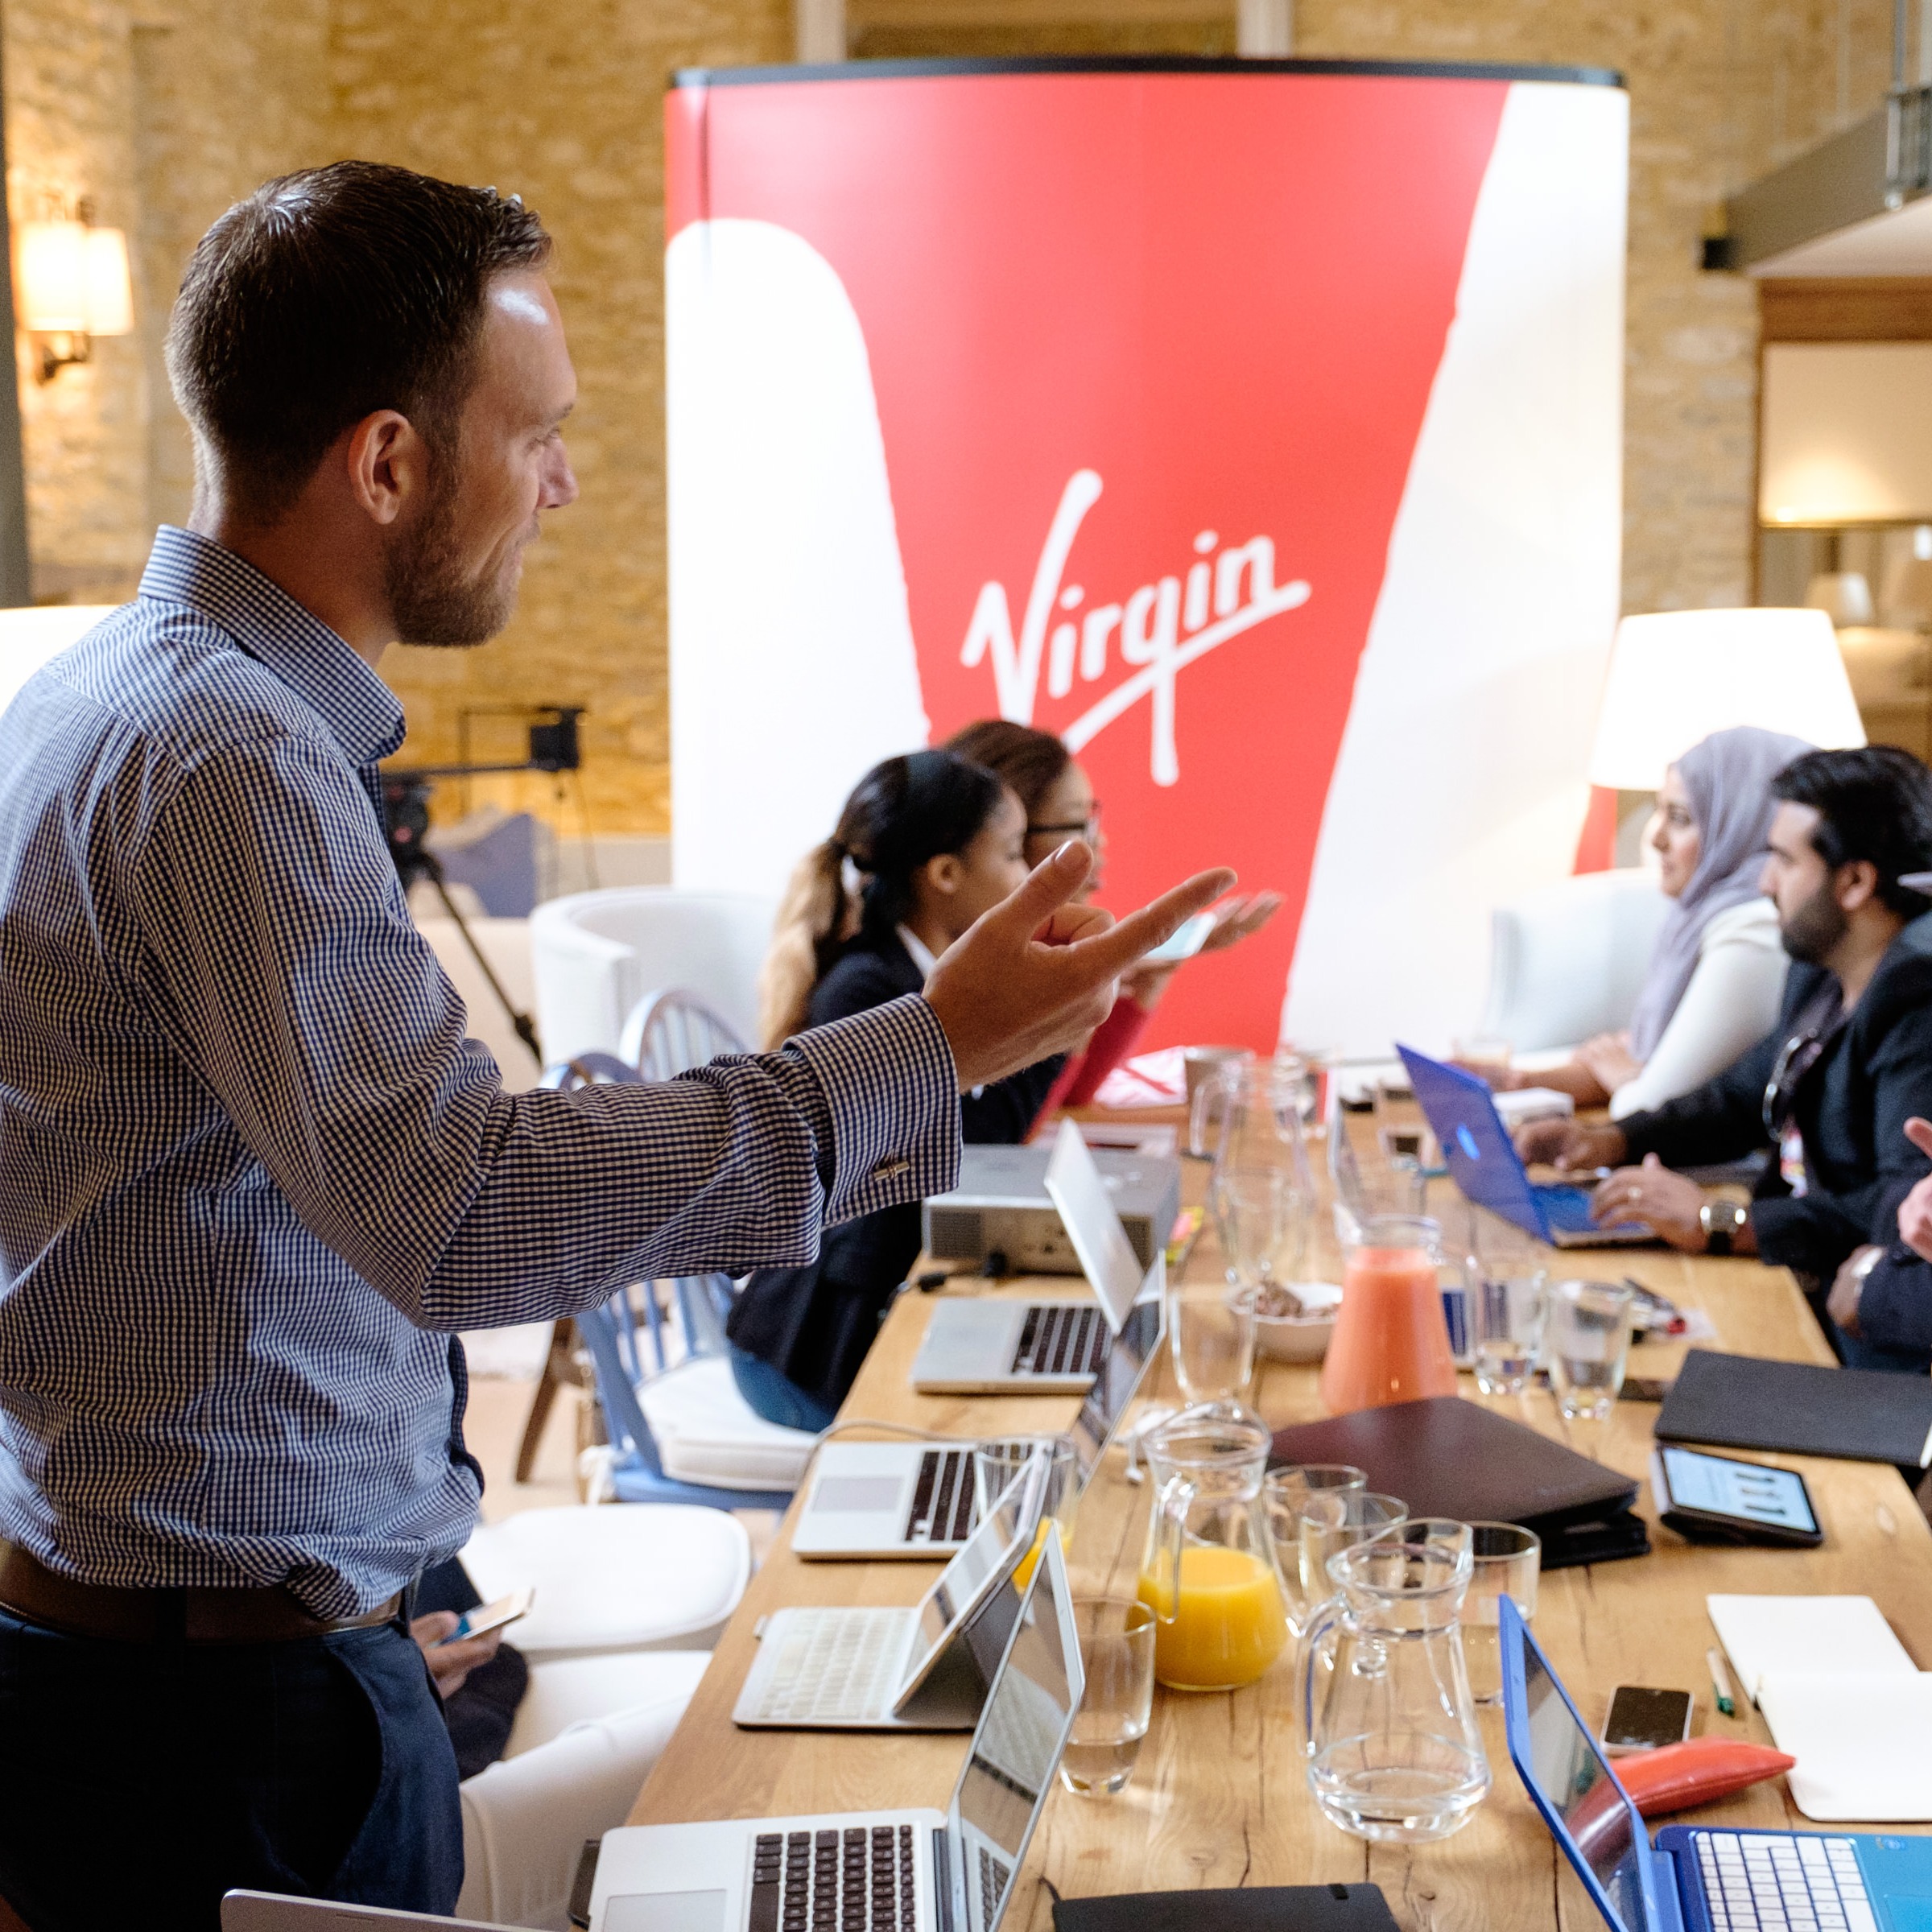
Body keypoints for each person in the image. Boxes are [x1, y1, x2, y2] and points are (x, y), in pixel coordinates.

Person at [0, 163, 1232, 1932]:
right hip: (218, 1715)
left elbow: (199, 1231)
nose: (567, 482)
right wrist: (926, 1043)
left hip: (218, 1652)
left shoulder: (96, 700)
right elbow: (460, 1216)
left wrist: (366, 1586)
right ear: (390, 461)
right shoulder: (231, 759)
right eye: (542, 434)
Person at [1517, 747, 1932, 1364]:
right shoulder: (1821, 972)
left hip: (1854, 1330)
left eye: (1784, 861)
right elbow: (1742, 1095)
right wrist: (1610, 1142)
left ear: (1854, 882)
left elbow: (1899, 1203)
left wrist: (1724, 1219)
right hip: (1787, 1281)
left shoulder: (1916, 998)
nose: (1764, 882)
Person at [733, 750, 1049, 1426]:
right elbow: (973, 1151)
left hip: (864, 1311)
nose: (1027, 877)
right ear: (944, 874)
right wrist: (1053, 1026)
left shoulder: (912, 975)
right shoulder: (870, 991)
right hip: (811, 1350)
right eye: (1014, 854)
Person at [943, 719, 1282, 1106]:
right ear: (1005, 835)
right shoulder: (928, 978)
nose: (1098, 840)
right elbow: (1008, 1130)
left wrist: (1147, 977)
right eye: (1079, 824)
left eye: (1094, 819)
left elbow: (1071, 1098)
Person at [1478, 726, 1805, 1117]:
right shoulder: (1696, 917)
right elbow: (1641, 1065)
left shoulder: (1752, 931)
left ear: (1741, 825)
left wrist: (1632, 1078)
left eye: (1681, 818)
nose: (1657, 838)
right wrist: (1518, 1081)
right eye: (1659, 811)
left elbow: (1650, 1106)